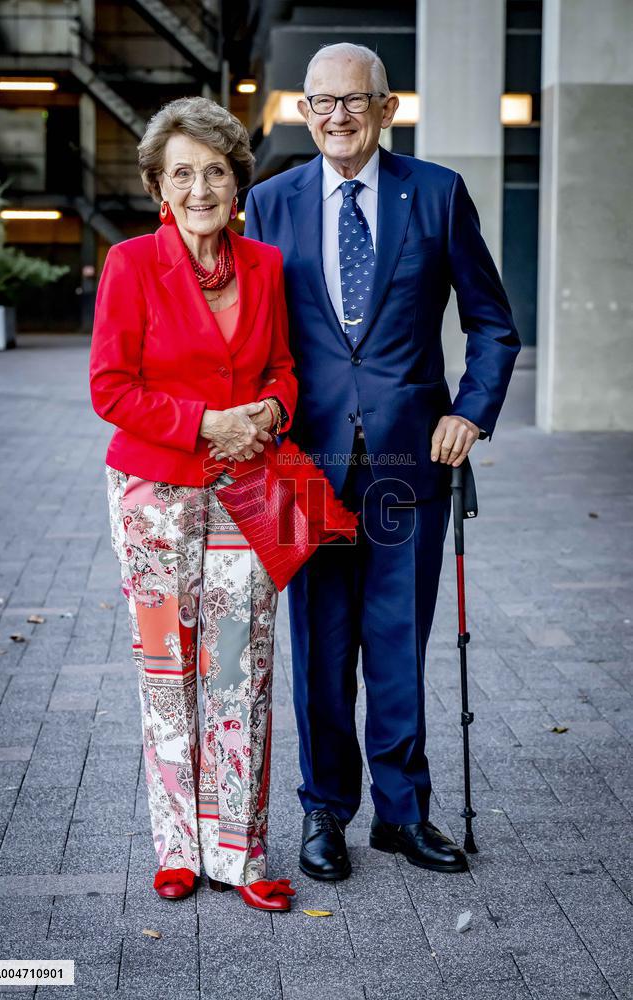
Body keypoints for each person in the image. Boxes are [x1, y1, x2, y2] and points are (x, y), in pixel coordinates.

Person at [245, 43, 521, 879]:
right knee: (319, 648)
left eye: (354, 101)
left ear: (387, 107)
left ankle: (403, 816)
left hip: (408, 457)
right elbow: (250, 336)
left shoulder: (435, 193)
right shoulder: (270, 202)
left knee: (396, 641)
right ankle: (325, 812)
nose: (336, 116)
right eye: (320, 102)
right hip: (301, 462)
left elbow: (492, 323)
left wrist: (469, 412)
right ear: (303, 112)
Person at [90, 96, 298, 911]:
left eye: (214, 170)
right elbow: (110, 388)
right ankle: (177, 846)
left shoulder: (267, 266)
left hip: (251, 488)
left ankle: (241, 855)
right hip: (151, 494)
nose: (200, 187)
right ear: (159, 187)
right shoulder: (130, 265)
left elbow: (284, 368)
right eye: (183, 174)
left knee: (240, 671)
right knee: (166, 668)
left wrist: (271, 413)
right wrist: (209, 422)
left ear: (235, 182)